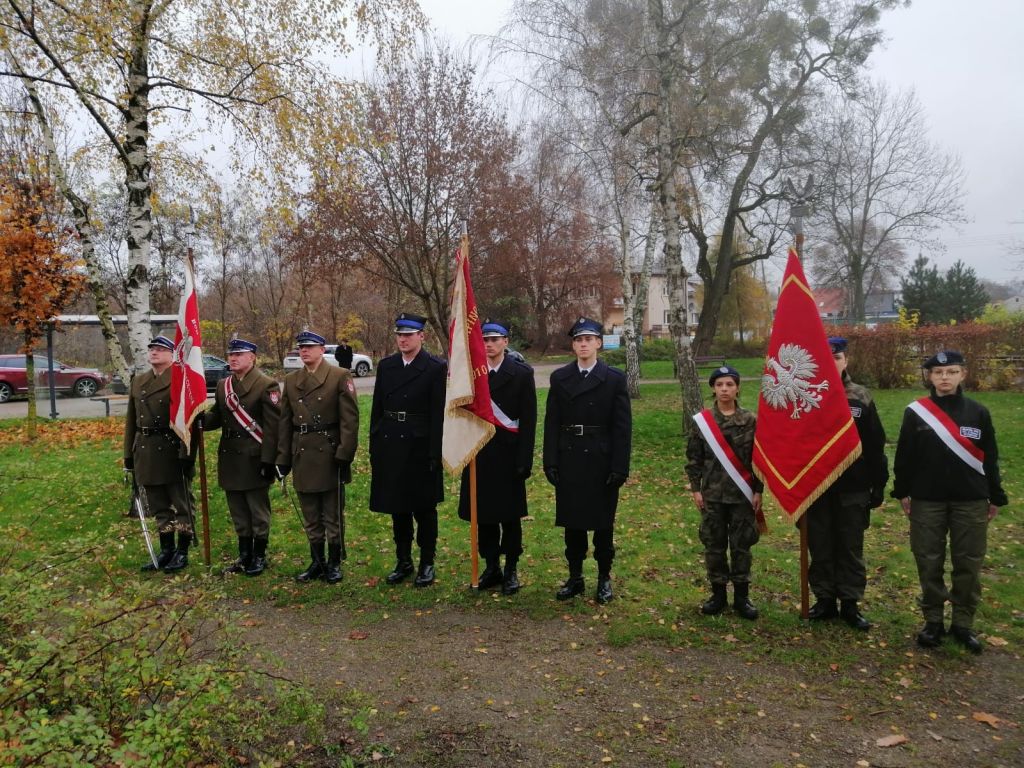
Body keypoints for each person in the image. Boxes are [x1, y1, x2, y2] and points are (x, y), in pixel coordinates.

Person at [893, 350, 1008, 654]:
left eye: (951, 371)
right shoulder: (916, 412)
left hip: (969, 500)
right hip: (927, 500)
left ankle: (963, 623)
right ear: (929, 377)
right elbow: (904, 457)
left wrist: (995, 495)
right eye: (938, 373)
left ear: (962, 375)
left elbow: (991, 458)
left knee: (968, 563)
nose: (945, 378)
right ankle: (933, 620)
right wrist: (902, 491)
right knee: (928, 560)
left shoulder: (978, 412)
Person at [543, 317, 631, 604]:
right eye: (578, 340)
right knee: (573, 525)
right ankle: (575, 577)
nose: (583, 344)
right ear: (573, 345)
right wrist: (550, 461)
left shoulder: (614, 378)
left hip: (601, 460)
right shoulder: (560, 378)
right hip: (570, 458)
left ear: (598, 344)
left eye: (589, 339)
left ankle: (604, 578)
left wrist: (620, 466)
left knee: (603, 526)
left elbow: (622, 427)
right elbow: (552, 422)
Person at [805, 338, 888, 629]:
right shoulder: (807, 395)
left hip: (853, 488)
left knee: (850, 547)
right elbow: (796, 443)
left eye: (837, 357)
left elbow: (876, 444)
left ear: (846, 360)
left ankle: (850, 604)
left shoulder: (860, 397)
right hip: (816, 487)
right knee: (821, 545)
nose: (833, 362)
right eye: (826, 358)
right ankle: (825, 599)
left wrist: (878, 484)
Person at [458, 320, 537, 595]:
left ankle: (511, 567)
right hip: (479, 454)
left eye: (495, 339)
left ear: (505, 342)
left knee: (510, 517)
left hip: (508, 454)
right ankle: (491, 566)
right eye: (485, 340)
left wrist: (524, 460)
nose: (489, 345)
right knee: (484, 517)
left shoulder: (522, 373)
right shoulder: (471, 375)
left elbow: (528, 420)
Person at [369, 312, 446, 587]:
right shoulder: (387, 366)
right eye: (400, 334)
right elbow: (377, 408)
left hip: (420, 445)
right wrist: (375, 443)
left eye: (409, 334)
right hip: (391, 443)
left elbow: (438, 414)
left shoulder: (435, 367)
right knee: (397, 508)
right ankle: (403, 560)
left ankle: (427, 562)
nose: (403, 339)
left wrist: (436, 453)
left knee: (424, 509)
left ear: (421, 337)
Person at [276, 330, 359, 584]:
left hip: (329, 452)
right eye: (301, 347)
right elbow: (285, 422)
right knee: (311, 514)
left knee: (331, 514)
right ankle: (317, 561)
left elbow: (350, 420)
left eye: (310, 347)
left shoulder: (338, 376)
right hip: (302, 453)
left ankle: (334, 562)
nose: (304, 351)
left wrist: (345, 453)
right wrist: (283, 458)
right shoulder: (291, 381)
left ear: (322, 349)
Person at [685, 365, 763, 619]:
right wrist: (696, 489)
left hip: (742, 495)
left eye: (729, 384)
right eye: (719, 385)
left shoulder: (750, 421)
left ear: (737, 387)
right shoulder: (703, 422)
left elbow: (759, 460)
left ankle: (742, 598)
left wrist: (758, 491)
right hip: (713, 495)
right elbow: (694, 459)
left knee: (742, 547)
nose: (724, 389)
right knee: (714, 545)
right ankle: (717, 595)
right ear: (713, 389)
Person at [203, 337, 281, 576]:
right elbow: (217, 416)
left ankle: (259, 555)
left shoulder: (266, 385)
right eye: (231, 355)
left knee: (257, 511)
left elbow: (273, 427)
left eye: (239, 354)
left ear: (252, 357)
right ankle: (244, 554)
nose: (233, 358)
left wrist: (269, 460)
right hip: (230, 457)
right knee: (237, 510)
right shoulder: (223, 386)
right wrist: (199, 419)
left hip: (254, 457)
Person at [123, 335, 196, 573]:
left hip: (172, 450)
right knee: (159, 505)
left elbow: (189, 422)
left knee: (182, 504)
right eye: (152, 349)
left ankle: (182, 551)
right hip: (145, 449)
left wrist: (187, 455)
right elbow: (131, 421)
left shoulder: (180, 379)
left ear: (172, 354)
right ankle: (166, 549)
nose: (154, 353)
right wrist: (128, 455)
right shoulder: (139, 381)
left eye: (160, 349)